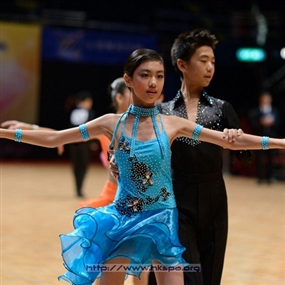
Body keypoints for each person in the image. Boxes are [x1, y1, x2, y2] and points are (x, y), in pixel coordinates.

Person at [1, 48, 284, 285]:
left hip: (163, 223)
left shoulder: (173, 123)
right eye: (145, 75)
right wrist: (4, 133)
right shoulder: (112, 123)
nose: (153, 83)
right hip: (122, 221)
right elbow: (54, 138)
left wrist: (280, 142)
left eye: (159, 76)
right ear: (128, 79)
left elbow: (228, 141)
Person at [109, 29, 255, 285]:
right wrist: (119, 161)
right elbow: (140, 150)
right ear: (182, 64)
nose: (210, 67)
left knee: (210, 276)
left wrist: (236, 137)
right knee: (188, 277)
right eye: (203, 60)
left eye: (213, 61)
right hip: (175, 202)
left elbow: (245, 156)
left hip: (215, 202)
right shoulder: (162, 111)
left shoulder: (222, 109)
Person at [248, 91, 280, 184]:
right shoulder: (255, 111)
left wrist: (272, 123)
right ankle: (260, 177)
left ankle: (270, 177)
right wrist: (260, 123)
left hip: (271, 138)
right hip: (260, 138)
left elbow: (279, 123)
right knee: (259, 159)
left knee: (271, 158)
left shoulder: (275, 110)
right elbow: (252, 124)